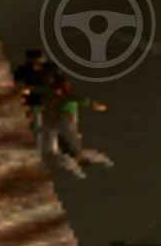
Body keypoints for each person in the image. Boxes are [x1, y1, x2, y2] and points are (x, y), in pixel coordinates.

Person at [17, 49, 111, 178]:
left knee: (64, 138)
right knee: (54, 139)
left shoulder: (53, 80)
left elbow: (73, 97)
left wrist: (93, 104)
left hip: (60, 114)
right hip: (50, 112)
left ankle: (74, 157)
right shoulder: (37, 80)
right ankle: (68, 156)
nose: (37, 64)